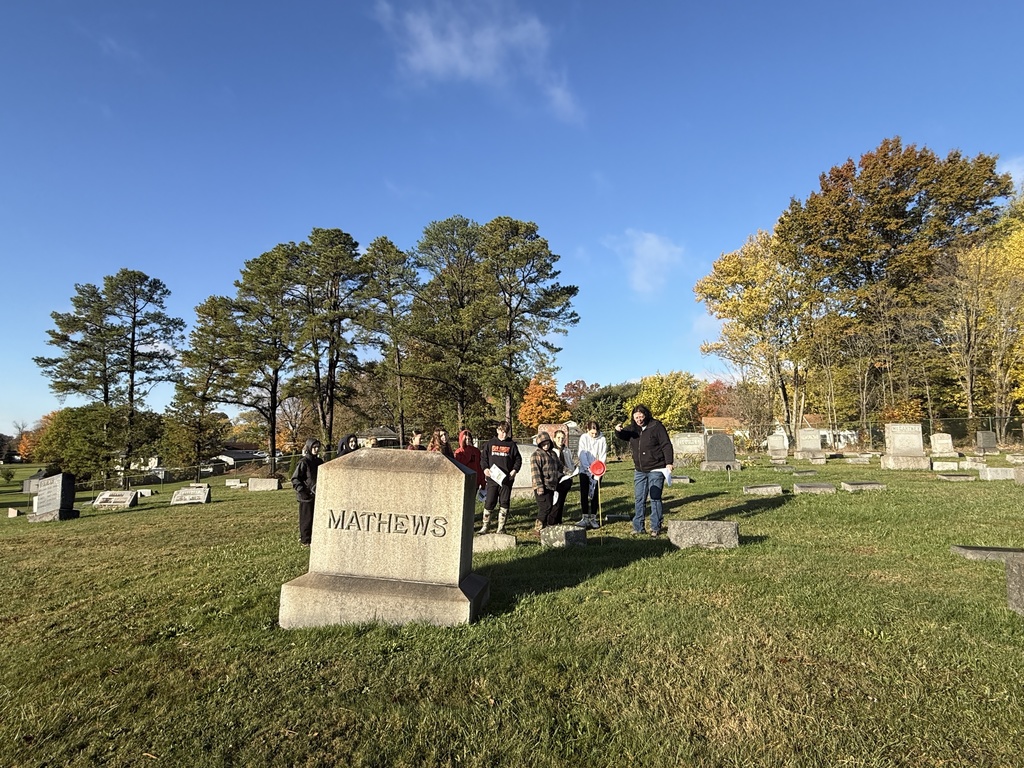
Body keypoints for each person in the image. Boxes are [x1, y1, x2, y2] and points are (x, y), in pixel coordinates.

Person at [614, 405, 674, 537]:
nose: (639, 420)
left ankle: (655, 527)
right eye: (636, 417)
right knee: (639, 498)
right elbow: (623, 435)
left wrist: (669, 462)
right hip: (640, 470)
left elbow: (666, 444)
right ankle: (638, 527)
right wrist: (617, 431)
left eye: (641, 417)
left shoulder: (656, 426)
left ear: (646, 415)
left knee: (655, 497)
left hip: (657, 468)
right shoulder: (632, 428)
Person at [479, 421, 522, 534]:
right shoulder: (490, 443)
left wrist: (514, 470)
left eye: (506, 432)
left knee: (504, 502)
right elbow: (483, 458)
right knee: (489, 502)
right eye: (502, 432)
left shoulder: (512, 445)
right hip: (493, 479)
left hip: (506, 480)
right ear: (497, 430)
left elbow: (518, 460)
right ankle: (485, 526)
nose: (504, 434)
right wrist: (485, 469)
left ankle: (501, 527)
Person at [290, 438, 323, 547]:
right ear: (309, 447)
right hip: (306, 496)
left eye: (318, 447)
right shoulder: (303, 462)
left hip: (317, 495)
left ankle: (315, 538)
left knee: (316, 518)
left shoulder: (319, 462)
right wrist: (302, 491)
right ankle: (305, 540)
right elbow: (295, 478)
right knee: (306, 519)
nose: (316, 449)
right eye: (314, 447)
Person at [530, 431, 563, 535]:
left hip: (551, 485)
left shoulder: (553, 454)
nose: (546, 446)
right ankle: (538, 529)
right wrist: (539, 486)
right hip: (542, 486)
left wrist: (570, 472)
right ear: (539, 445)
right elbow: (535, 473)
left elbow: (560, 466)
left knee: (549, 507)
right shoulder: (536, 455)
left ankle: (545, 527)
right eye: (543, 444)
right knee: (545, 507)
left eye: (547, 443)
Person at [576, 421, 607, 529]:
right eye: (592, 433)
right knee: (584, 493)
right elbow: (582, 453)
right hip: (585, 470)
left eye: (596, 433)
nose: (594, 435)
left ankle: (593, 518)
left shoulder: (602, 439)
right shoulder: (584, 438)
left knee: (595, 494)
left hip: (597, 470)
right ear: (587, 430)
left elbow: (602, 455)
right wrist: (588, 468)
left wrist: (598, 470)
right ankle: (584, 517)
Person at [551, 429, 575, 525]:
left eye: (562, 438)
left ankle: (559, 520)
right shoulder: (552, 451)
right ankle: (552, 521)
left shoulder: (567, 450)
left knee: (561, 500)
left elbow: (570, 463)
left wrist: (572, 472)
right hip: (556, 478)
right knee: (555, 501)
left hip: (566, 478)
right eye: (558, 438)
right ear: (554, 438)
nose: (560, 440)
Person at [454, 429, 485, 495]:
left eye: (469, 439)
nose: (467, 441)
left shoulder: (476, 451)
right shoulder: (459, 452)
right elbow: (461, 465)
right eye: (465, 439)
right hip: (464, 481)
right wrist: (468, 451)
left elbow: (479, 467)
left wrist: (482, 481)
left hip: (475, 480)